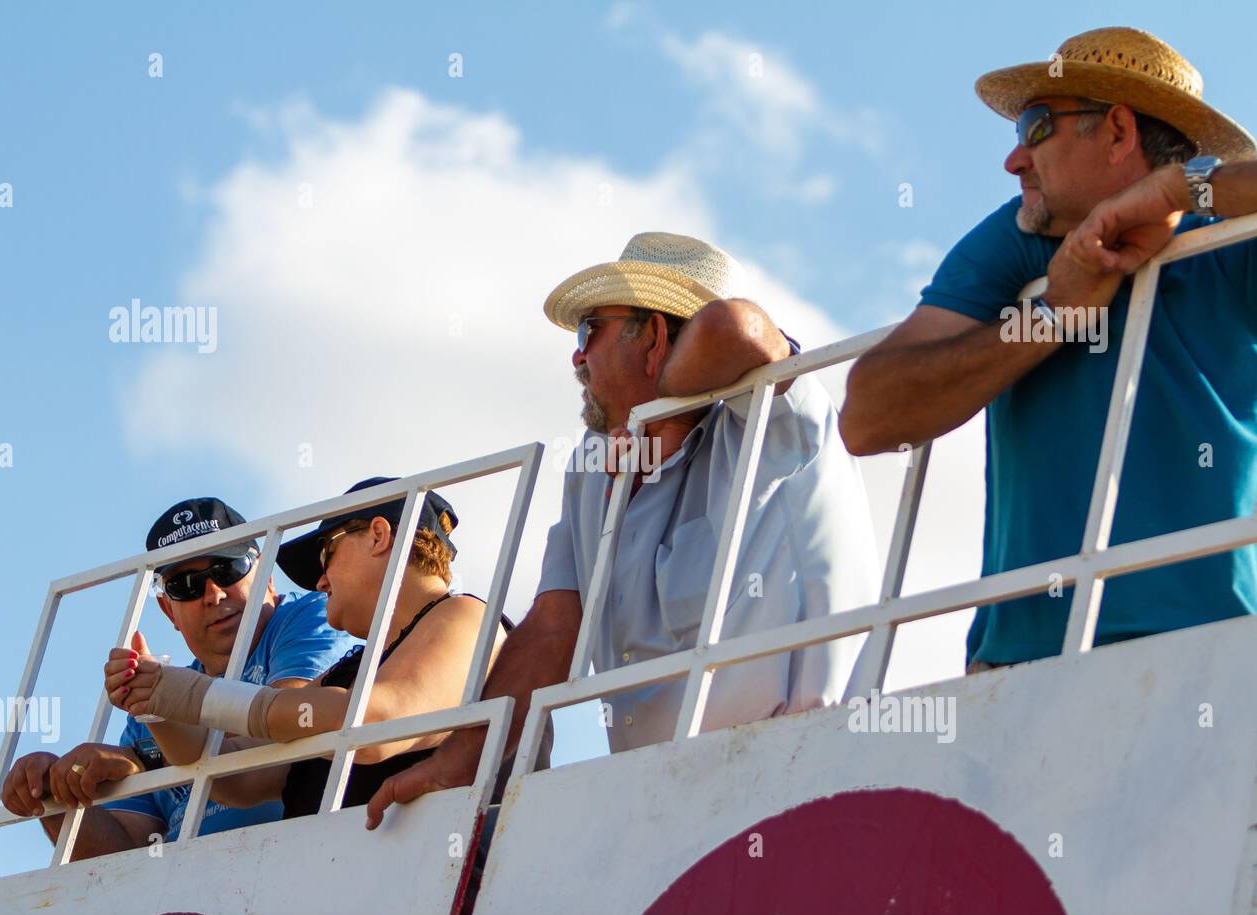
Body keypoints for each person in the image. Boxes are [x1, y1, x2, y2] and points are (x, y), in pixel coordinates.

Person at [364, 231, 880, 825]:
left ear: (655, 338)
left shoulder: (770, 416)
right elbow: (554, 627)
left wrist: (661, 413)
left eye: (591, 331)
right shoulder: (592, 466)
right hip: (658, 807)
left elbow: (733, 329)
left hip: (800, 781)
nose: (576, 357)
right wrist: (458, 761)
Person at [838, 27, 1257, 672]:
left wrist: (1180, 191)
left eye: (1036, 127)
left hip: (1213, 654)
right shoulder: (1019, 237)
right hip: (1019, 669)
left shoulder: (1233, 237)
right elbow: (869, 418)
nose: (1014, 161)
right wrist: (1052, 315)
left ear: (1118, 132)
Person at [105, 479, 519, 818]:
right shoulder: (356, 668)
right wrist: (157, 704)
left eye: (327, 554)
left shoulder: (465, 615)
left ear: (378, 536)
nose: (320, 582)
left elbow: (373, 724)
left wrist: (196, 696)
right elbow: (231, 777)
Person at [0, 497, 352, 857]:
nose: (214, 594)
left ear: (266, 576)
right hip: (184, 893)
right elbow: (121, 856)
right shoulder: (155, 700)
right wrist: (53, 793)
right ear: (168, 610)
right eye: (186, 585)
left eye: (228, 568)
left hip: (298, 865)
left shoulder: (307, 616)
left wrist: (145, 757)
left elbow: (289, 720)